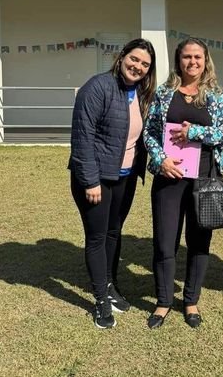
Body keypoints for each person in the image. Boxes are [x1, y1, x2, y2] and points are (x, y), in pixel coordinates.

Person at [143, 37, 223, 329]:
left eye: (197, 57)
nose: (192, 62)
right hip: (169, 178)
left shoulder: (217, 96)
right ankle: (163, 301)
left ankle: (191, 300)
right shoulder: (164, 93)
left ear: (206, 60)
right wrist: (160, 160)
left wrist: (195, 131)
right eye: (186, 57)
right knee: (164, 241)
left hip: (205, 180)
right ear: (178, 60)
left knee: (198, 241)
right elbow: (150, 131)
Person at [69, 38, 156, 329]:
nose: (138, 67)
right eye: (134, 59)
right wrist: (90, 181)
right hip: (96, 178)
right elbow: (83, 139)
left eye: (145, 64)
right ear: (121, 58)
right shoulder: (98, 87)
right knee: (97, 237)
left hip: (125, 176)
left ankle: (109, 284)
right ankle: (100, 300)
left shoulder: (141, 93)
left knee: (113, 233)